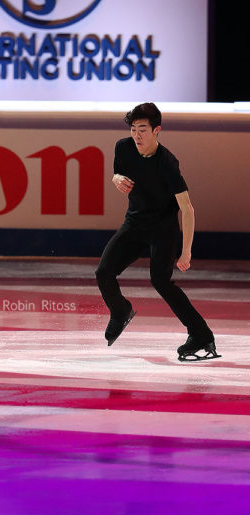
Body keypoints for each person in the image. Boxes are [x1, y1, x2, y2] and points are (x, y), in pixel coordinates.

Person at [95, 103, 220, 361]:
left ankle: (201, 334)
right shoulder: (123, 147)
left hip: (163, 229)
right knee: (104, 272)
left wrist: (186, 251)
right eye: (133, 129)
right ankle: (120, 311)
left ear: (157, 131)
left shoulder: (167, 164)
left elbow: (187, 209)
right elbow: (118, 173)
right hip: (135, 224)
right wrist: (115, 178)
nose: (137, 135)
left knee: (161, 281)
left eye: (143, 129)